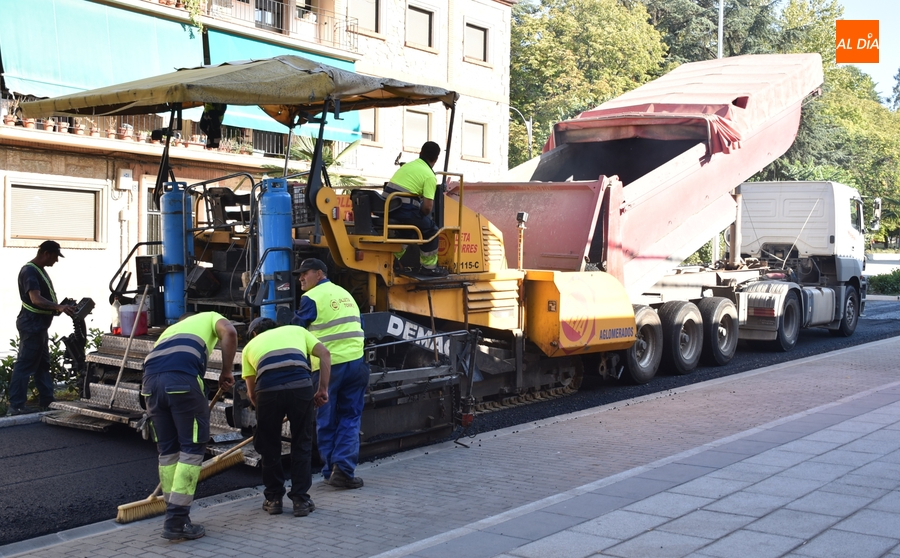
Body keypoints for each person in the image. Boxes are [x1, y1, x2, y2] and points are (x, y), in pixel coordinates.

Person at [141, 312, 237, 541]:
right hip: (182, 382)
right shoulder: (210, 316)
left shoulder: (168, 332)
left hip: (150, 385)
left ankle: (174, 514)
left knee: (167, 451)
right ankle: (176, 521)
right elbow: (230, 332)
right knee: (191, 450)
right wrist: (226, 371)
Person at [242, 317, 331, 517]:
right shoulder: (296, 330)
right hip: (301, 386)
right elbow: (324, 353)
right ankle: (300, 501)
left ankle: (273, 499)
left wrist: (265, 412)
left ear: (254, 334)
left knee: (269, 445)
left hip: (268, 390)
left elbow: (252, 393)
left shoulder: (250, 346)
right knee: (301, 442)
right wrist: (321, 390)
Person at [291, 258, 368, 489]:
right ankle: (343, 470)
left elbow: (297, 330)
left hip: (329, 367)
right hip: (356, 363)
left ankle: (330, 471)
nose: (301, 279)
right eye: (299, 274)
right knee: (350, 416)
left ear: (320, 273)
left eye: (305, 273)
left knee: (326, 417)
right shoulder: (345, 294)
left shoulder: (311, 298)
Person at [7, 241, 76, 416]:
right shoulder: (29, 271)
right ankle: (16, 405)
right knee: (24, 365)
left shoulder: (38, 270)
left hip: (39, 326)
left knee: (42, 365)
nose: (56, 261)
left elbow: (43, 300)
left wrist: (60, 306)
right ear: (45, 253)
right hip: (32, 326)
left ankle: (47, 400)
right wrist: (58, 307)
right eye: (55, 256)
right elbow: (36, 299)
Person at [384, 141, 449, 277]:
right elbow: (427, 207)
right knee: (432, 230)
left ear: (420, 153)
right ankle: (429, 267)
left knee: (409, 230)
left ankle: (392, 260)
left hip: (386, 207)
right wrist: (423, 215)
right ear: (436, 159)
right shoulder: (429, 176)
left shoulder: (407, 167)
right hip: (402, 210)